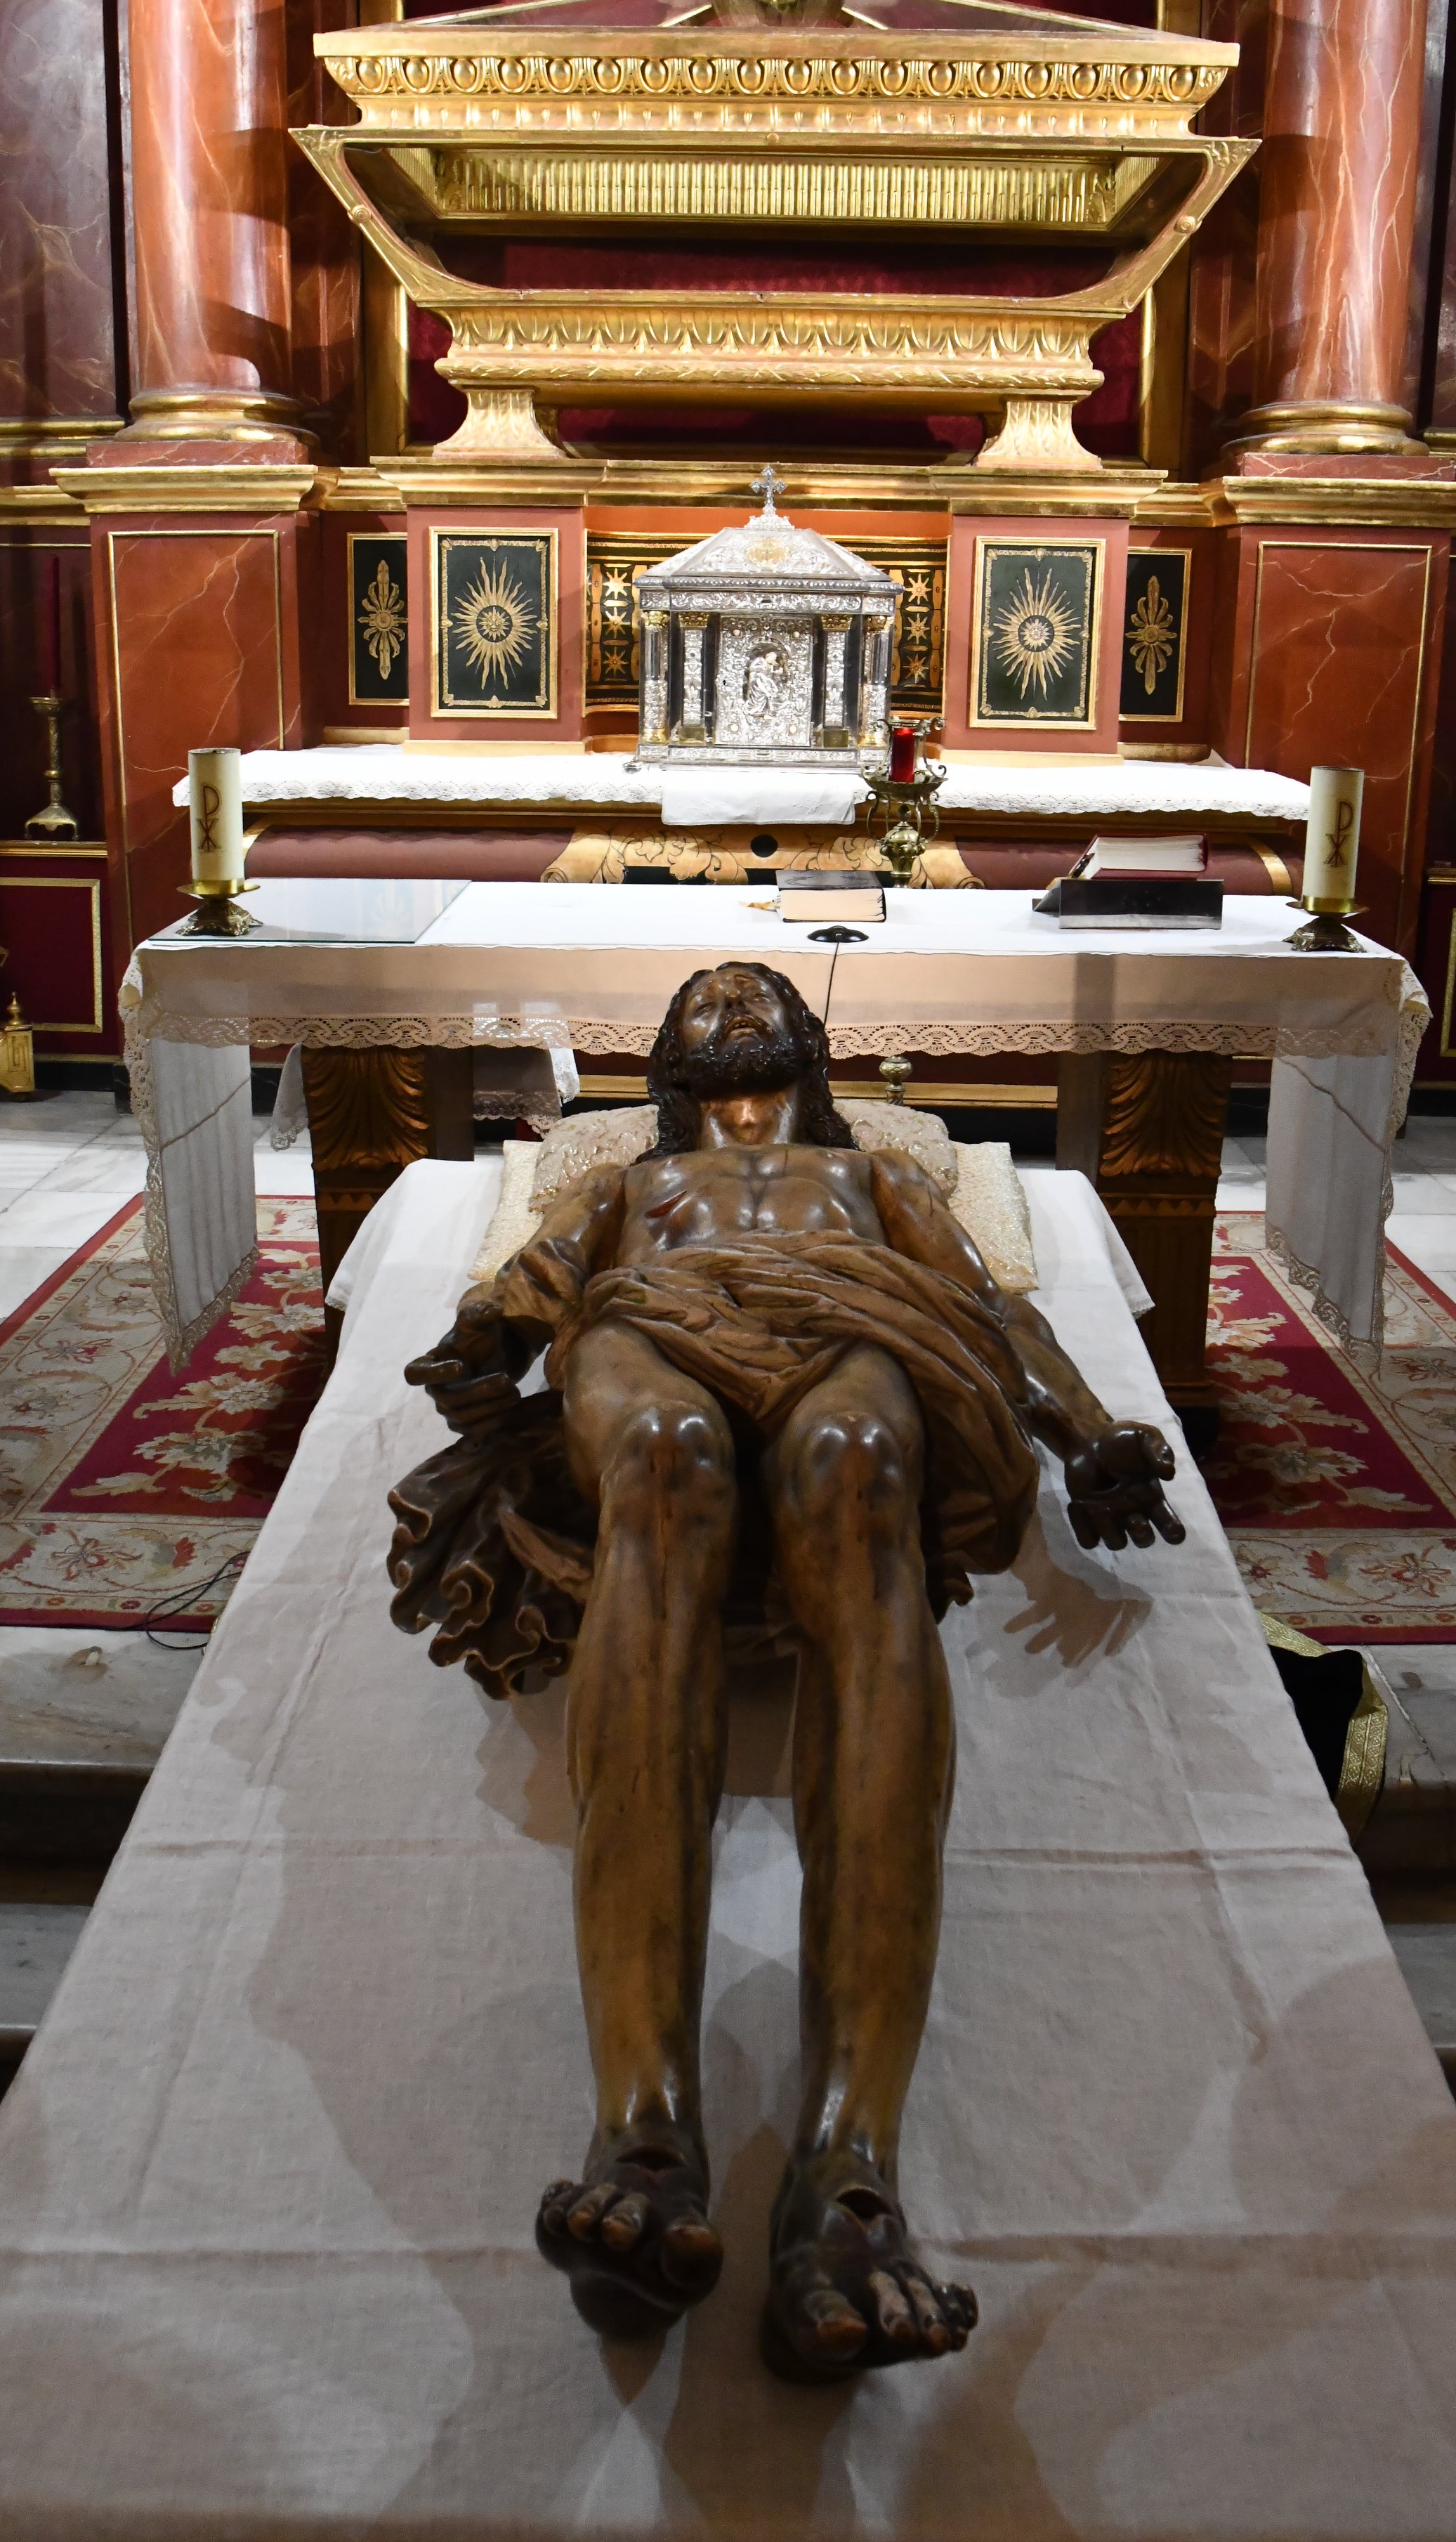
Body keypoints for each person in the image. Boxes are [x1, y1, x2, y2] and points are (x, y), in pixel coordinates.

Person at [391, 961, 1181, 2377]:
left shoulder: (878, 1175)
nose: (729, 1009)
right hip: (657, 1322)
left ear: (809, 1040)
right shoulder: (631, 1187)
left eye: (753, 997)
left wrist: (1083, 1429)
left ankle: (846, 2175)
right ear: (664, 1058)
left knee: (860, 1459)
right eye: (702, 1001)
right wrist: (480, 1339)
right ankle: (641, 2127)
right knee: (661, 1453)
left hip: (854, 1325)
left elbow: (995, 1319)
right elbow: (521, 1302)